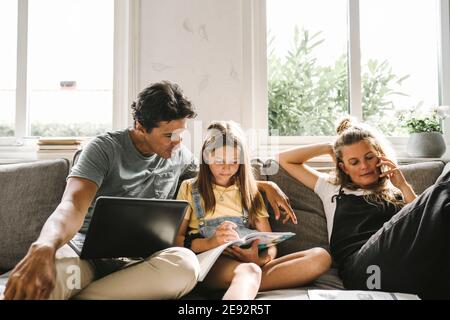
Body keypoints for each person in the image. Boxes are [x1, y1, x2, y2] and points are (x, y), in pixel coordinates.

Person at [3, 81, 296, 300]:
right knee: (46, 279)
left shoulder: (181, 157)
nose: (177, 142)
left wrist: (262, 184)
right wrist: (44, 245)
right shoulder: (103, 149)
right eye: (168, 135)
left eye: (181, 134)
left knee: (185, 266)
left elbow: (217, 176)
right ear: (141, 127)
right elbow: (71, 206)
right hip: (85, 256)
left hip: (143, 264)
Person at [277, 117, 450, 299]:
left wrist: (403, 186)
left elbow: (425, 225)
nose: (364, 166)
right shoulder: (332, 188)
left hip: (401, 270)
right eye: (354, 162)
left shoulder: (395, 192)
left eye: (369, 157)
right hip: (363, 271)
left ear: (379, 157)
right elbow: (284, 159)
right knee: (443, 188)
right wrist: (329, 147)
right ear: (343, 167)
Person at [175, 121, 332, 300]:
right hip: (211, 262)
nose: (226, 168)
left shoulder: (250, 191)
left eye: (234, 162)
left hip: (249, 263)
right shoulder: (189, 188)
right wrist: (210, 243)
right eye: (219, 161)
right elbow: (175, 240)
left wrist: (261, 259)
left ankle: (244, 282)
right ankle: (245, 279)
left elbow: (271, 244)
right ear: (206, 157)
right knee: (248, 271)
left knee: (321, 257)